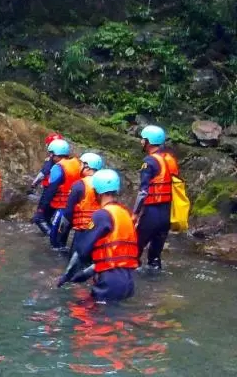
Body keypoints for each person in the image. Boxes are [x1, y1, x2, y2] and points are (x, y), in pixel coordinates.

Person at [57, 169, 137, 302]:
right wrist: (84, 275)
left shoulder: (101, 215)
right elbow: (113, 256)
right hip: (128, 282)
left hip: (109, 282)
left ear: (96, 191)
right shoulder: (125, 213)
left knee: (85, 316)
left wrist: (66, 277)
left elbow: (82, 251)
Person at [134, 125, 179, 271]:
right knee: (154, 258)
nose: (141, 142)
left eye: (143, 139)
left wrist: (135, 214)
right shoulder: (169, 159)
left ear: (149, 141)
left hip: (152, 213)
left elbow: (143, 192)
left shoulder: (150, 162)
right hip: (166, 214)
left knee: (134, 250)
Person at [41, 139, 83, 250]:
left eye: (51, 153)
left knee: (54, 239)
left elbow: (51, 189)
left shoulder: (58, 167)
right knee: (63, 235)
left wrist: (43, 206)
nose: (50, 156)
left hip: (63, 207)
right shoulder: (77, 163)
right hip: (74, 207)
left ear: (55, 154)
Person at [62, 152, 105, 258]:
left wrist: (63, 232)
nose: (79, 167)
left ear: (87, 166)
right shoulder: (107, 184)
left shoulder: (79, 185)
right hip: (99, 231)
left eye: (81, 164)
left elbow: (68, 212)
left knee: (75, 263)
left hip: (82, 231)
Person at [31, 132, 65, 235]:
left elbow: (42, 174)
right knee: (48, 217)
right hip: (62, 196)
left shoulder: (52, 160)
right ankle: (53, 234)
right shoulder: (67, 160)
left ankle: (51, 236)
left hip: (50, 192)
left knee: (39, 218)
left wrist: (33, 185)